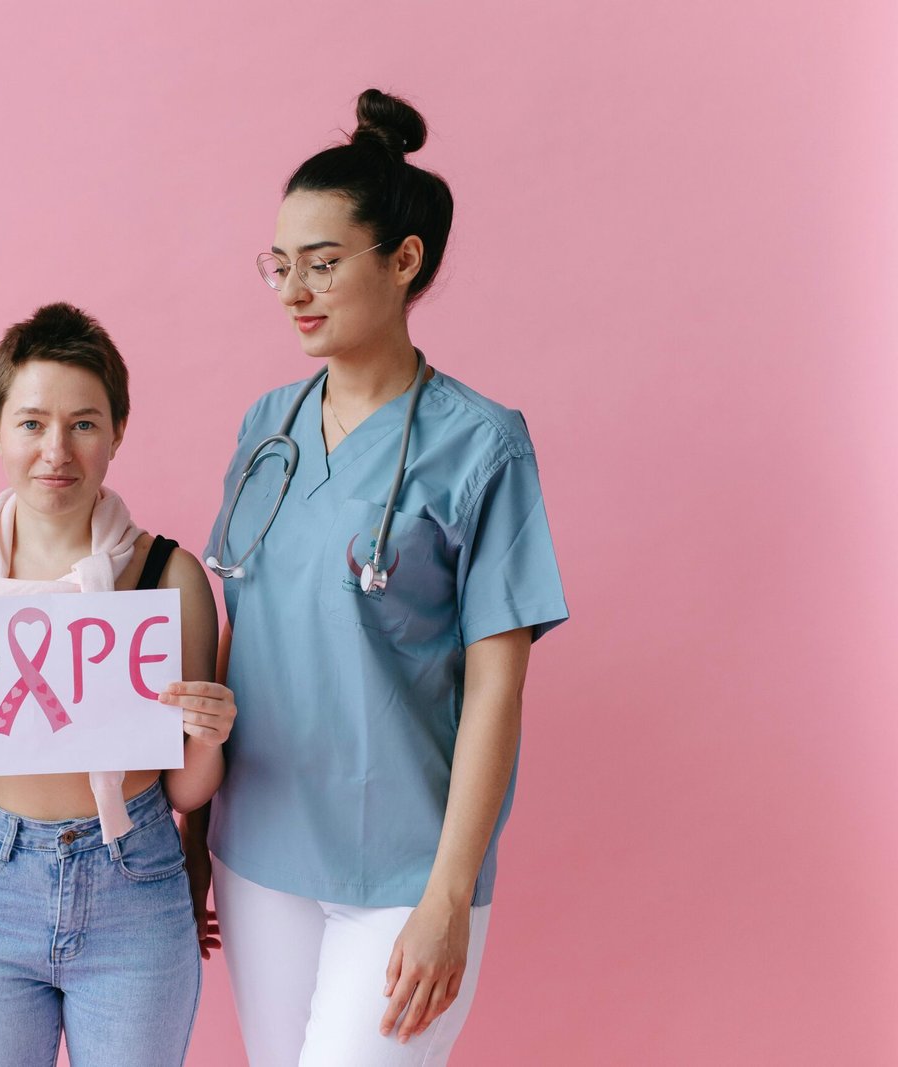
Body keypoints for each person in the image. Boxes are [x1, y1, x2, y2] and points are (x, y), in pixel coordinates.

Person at [185, 89, 570, 1066]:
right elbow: (245, 629)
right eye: (281, 265)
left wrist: (448, 893)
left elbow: (497, 682)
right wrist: (195, 833)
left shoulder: (482, 446)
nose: (293, 290)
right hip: (259, 847)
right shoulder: (266, 422)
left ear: (402, 261)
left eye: (322, 263)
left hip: (404, 864)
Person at [0, 303, 237, 1067]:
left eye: (84, 424)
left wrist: (208, 731)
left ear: (116, 433)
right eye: (32, 423)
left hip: (134, 879)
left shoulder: (168, 576)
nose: (55, 450)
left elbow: (188, 789)